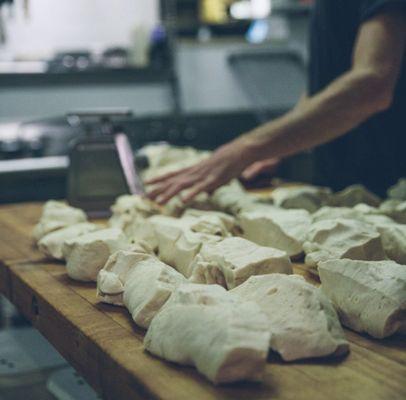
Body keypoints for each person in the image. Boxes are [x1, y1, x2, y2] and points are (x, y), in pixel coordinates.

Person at [148, 0, 406, 204]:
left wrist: (247, 147)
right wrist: (281, 146)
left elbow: (372, 84)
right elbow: (325, 85)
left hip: (392, 195)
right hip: (347, 190)